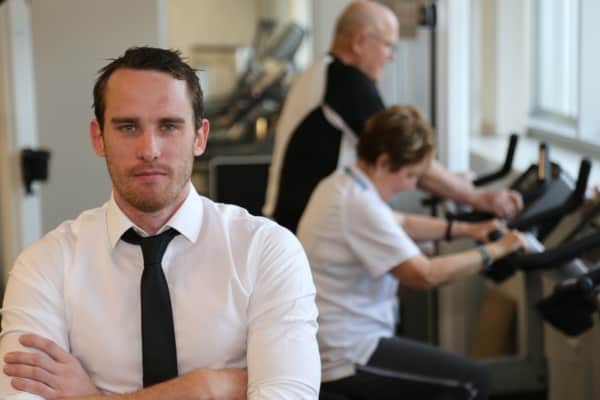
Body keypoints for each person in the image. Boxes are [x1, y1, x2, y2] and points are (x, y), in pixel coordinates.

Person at [0, 47, 320, 399]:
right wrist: (207, 388)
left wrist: (93, 398)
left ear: (199, 136)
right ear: (98, 138)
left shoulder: (266, 250)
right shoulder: (46, 265)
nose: (149, 150)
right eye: (128, 127)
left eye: (169, 126)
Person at [297, 105, 528, 400]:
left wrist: (470, 229)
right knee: (473, 381)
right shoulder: (357, 205)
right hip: (346, 353)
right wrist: (498, 249)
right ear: (383, 162)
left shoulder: (342, 183)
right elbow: (425, 275)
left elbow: (402, 222)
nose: (412, 185)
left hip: (338, 339)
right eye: (409, 175)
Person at [263, 0, 523, 233]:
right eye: (388, 45)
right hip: (301, 231)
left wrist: (454, 182)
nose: (392, 57)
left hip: (295, 224)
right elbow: (404, 152)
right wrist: (477, 197)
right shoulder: (346, 81)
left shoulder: (324, 72)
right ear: (359, 42)